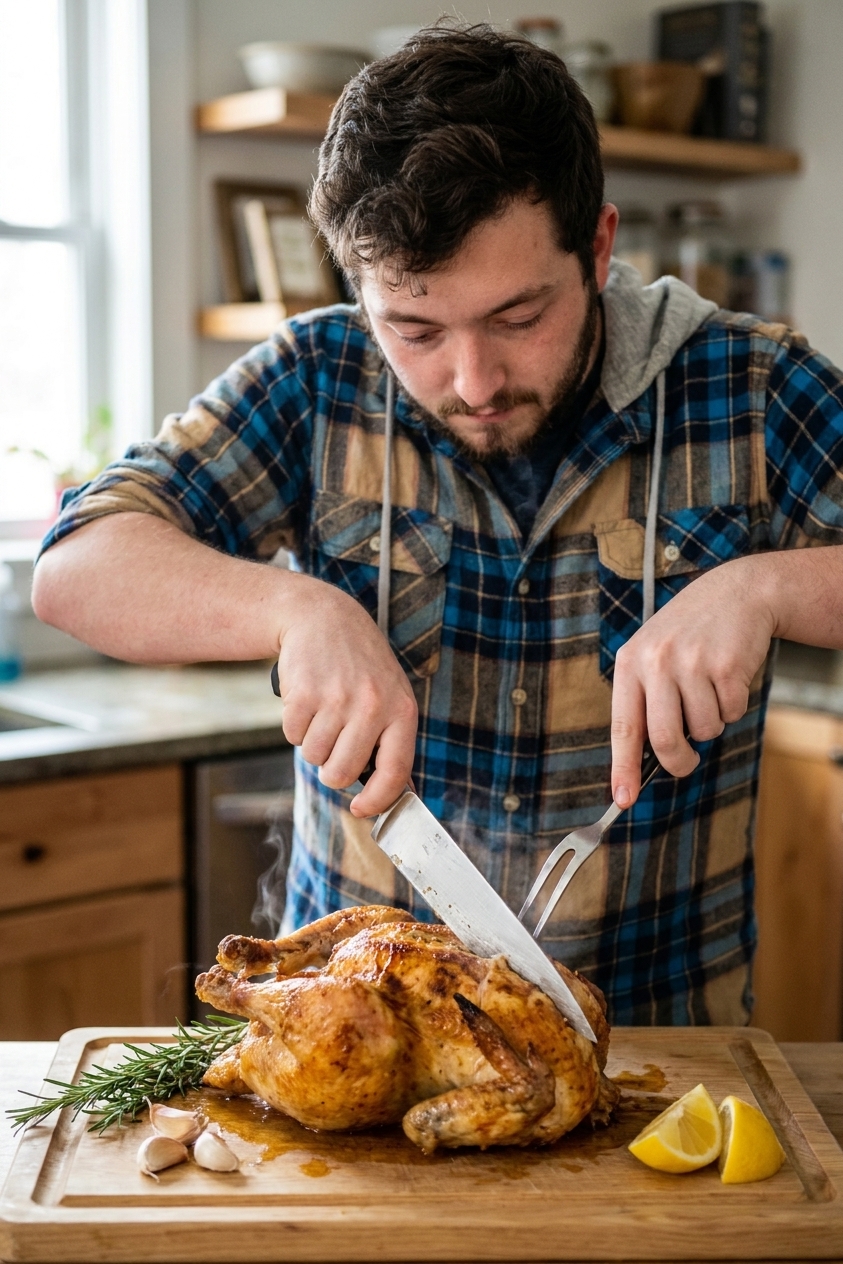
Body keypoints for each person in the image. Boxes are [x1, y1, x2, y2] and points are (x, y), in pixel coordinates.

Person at [33, 25, 843, 1026]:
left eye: (518, 317)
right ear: (359, 290)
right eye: (415, 329)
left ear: (597, 246)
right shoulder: (317, 378)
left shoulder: (749, 386)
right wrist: (296, 610)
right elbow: (76, 565)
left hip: (665, 1055)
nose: (473, 381)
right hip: (353, 1052)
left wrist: (767, 586)